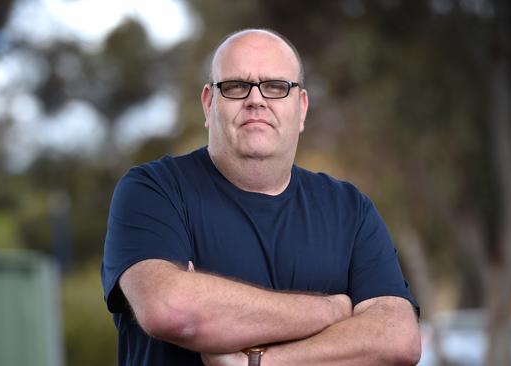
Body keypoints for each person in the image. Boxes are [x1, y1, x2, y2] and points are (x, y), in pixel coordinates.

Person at [102, 28, 421, 366]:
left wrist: (260, 362)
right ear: (209, 104)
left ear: (301, 107)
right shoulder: (153, 191)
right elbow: (170, 310)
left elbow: (397, 337)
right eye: (237, 86)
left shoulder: (349, 210)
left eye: (275, 87)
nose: (256, 100)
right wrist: (333, 309)